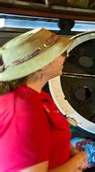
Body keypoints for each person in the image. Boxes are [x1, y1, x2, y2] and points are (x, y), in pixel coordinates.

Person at [0, 28, 89, 171]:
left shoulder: (40, 98)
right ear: (41, 66)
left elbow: (52, 137)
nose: (64, 57)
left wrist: (72, 153)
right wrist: (77, 161)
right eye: (61, 53)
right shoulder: (23, 111)